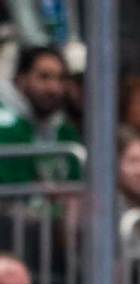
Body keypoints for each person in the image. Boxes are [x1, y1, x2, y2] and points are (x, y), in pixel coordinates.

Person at [0, 45, 81, 184]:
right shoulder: (5, 126)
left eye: (60, 79)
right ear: (21, 78)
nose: (54, 88)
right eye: (44, 77)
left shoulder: (64, 130)